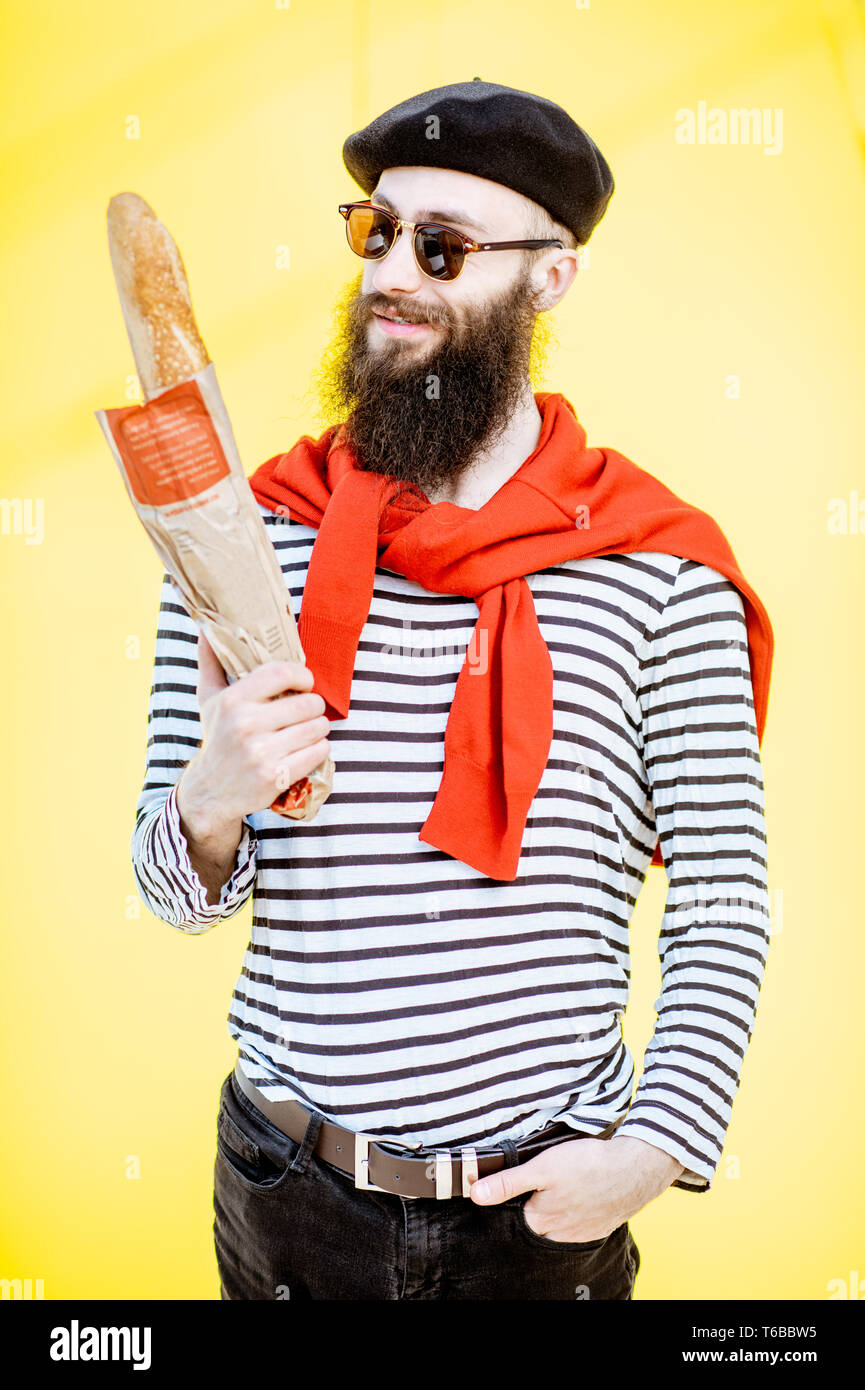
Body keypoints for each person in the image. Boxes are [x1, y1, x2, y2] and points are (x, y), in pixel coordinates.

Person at [131, 80, 774, 1301]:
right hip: (287, 1196)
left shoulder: (659, 568)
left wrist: (653, 1148)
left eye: (445, 247)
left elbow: (727, 893)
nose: (391, 276)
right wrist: (210, 801)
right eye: (377, 231)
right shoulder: (243, 536)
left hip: (535, 1222)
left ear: (551, 278)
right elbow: (174, 898)